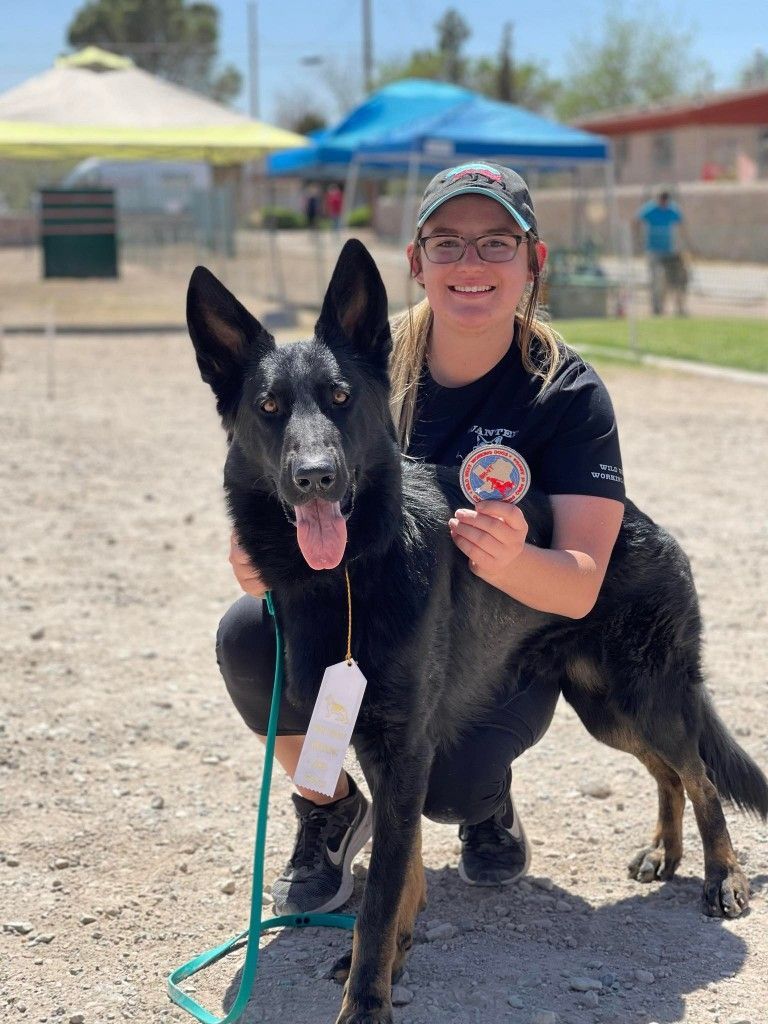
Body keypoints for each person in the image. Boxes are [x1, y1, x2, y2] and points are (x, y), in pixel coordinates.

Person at [217, 161, 626, 915]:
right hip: (374, 622)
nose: (471, 263)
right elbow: (266, 453)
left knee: (440, 781)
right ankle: (330, 807)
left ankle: (487, 805)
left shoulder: (566, 392)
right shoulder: (358, 366)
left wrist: (514, 556)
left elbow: (581, 583)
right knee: (248, 634)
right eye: (447, 243)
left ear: (534, 259)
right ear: (417, 262)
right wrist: (260, 554)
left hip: (492, 649)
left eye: (497, 242)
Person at [635, 189, 691, 316]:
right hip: (653, 251)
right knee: (657, 279)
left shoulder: (673, 209)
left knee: (678, 279)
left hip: (670, 250)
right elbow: (637, 221)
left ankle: (679, 308)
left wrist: (685, 243)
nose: (664, 204)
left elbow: (681, 224)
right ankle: (657, 308)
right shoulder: (650, 209)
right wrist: (638, 239)